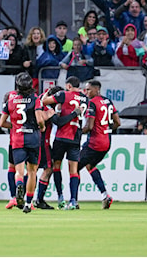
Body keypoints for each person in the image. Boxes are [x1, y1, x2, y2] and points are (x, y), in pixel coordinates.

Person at [0, 72, 46, 214]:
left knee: (18, 172)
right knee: (32, 172)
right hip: (33, 138)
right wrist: (42, 127)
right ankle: (28, 202)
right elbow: (39, 119)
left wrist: (14, 126)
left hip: (17, 139)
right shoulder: (35, 99)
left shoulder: (11, 100)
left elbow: (1, 122)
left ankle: (19, 186)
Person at [42, 76, 88, 210]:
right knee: (73, 170)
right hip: (76, 137)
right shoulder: (85, 99)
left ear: (68, 86)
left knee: (56, 166)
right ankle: (73, 200)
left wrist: (55, 108)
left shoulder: (63, 95)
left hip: (62, 136)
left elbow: (44, 102)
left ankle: (60, 197)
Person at [78, 80, 121, 209]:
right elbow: (118, 122)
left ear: (97, 90)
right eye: (85, 89)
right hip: (107, 142)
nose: (86, 92)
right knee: (90, 166)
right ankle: (105, 195)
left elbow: (89, 126)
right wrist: (106, 129)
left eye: (88, 89)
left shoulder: (92, 103)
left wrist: (77, 132)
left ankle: (73, 200)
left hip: (94, 143)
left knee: (74, 168)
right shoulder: (108, 101)